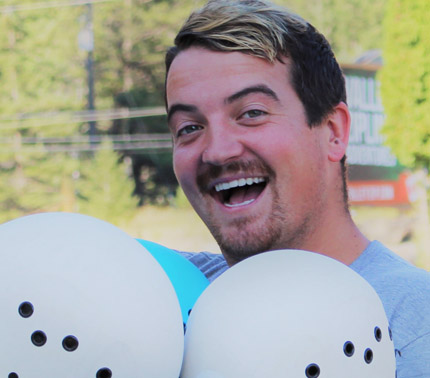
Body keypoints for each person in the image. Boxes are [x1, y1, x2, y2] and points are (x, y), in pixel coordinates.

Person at [164, 0, 430, 376]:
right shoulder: (162, 301)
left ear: (334, 132)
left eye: (252, 113)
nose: (217, 151)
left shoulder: (415, 326)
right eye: (189, 128)